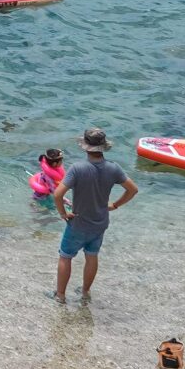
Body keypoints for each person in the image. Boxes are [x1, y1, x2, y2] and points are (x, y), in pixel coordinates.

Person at [53, 128, 136, 303]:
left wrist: (63, 213)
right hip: (99, 223)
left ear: (85, 146)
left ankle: (60, 295)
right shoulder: (113, 168)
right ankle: (85, 291)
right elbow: (132, 190)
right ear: (103, 147)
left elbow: (58, 195)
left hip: (78, 223)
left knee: (65, 256)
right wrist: (115, 205)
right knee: (92, 256)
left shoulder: (77, 168)